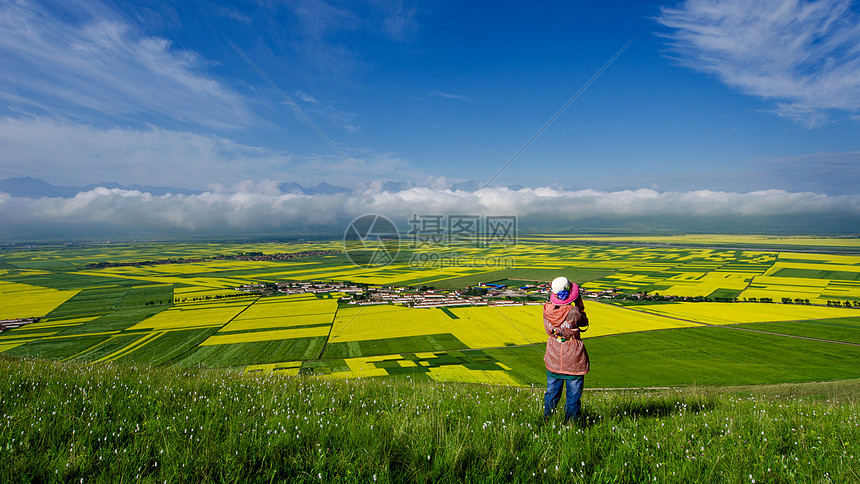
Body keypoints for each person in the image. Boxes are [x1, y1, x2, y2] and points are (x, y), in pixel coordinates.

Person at [542, 276, 589, 424]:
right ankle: (571, 424)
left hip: (553, 357)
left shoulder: (547, 310)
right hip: (573, 360)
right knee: (573, 396)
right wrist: (579, 304)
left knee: (551, 393)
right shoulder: (574, 312)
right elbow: (584, 322)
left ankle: (547, 421)